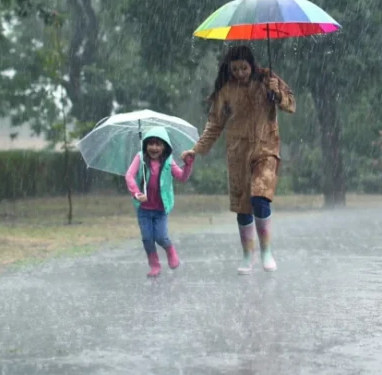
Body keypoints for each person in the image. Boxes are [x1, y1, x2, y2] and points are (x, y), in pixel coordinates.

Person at [181, 45, 295, 274]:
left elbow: (291, 105)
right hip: (238, 153)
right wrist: (196, 149)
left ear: (251, 65)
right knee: (243, 206)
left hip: (266, 149)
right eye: (235, 69)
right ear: (229, 69)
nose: (240, 73)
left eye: (244, 68)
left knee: (260, 198)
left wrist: (278, 94)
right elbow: (214, 125)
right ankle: (247, 255)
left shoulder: (267, 80)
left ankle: (266, 251)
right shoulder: (225, 91)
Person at [125, 126, 194, 278]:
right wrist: (136, 193)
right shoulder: (140, 158)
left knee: (161, 237)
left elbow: (182, 177)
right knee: (147, 239)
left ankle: (170, 251)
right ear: (145, 145)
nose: (154, 147)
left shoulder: (168, 161)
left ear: (165, 147)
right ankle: (154, 265)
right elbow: (129, 176)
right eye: (150, 143)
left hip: (160, 209)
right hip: (144, 208)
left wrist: (188, 165)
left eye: (158, 144)